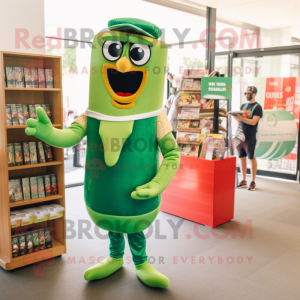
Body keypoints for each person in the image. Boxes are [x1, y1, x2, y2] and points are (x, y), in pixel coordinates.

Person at [233, 86, 263, 191]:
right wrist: (236, 117)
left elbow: (253, 122)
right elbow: (241, 121)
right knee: (241, 157)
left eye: (249, 93)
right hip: (240, 134)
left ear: (254, 94)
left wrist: (240, 118)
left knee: (251, 158)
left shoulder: (258, 107)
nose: (247, 95)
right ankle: (244, 180)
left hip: (250, 135)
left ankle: (253, 181)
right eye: (246, 93)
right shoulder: (243, 105)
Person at [165, 74, 180, 139]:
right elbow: (167, 101)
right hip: (172, 115)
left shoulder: (180, 91)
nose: (170, 81)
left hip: (177, 116)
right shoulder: (173, 94)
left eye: (171, 79)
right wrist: (168, 104)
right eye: (169, 79)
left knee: (175, 133)